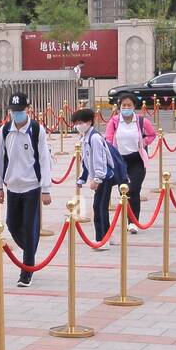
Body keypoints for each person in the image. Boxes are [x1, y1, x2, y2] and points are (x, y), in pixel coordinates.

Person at [0, 92, 53, 287]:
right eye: (13, 111)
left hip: (32, 187)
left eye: (20, 111)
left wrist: (45, 188)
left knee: (28, 226)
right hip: (13, 187)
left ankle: (27, 270)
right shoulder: (4, 131)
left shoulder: (36, 130)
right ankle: (30, 251)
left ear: (28, 109)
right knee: (12, 224)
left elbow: (44, 159)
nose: (16, 114)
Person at [104, 94, 156, 235]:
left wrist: (144, 143)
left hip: (137, 160)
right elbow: (108, 139)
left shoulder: (141, 121)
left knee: (134, 189)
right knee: (123, 190)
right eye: (124, 105)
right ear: (120, 107)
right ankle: (127, 217)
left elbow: (152, 135)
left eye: (129, 105)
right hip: (120, 161)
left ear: (134, 107)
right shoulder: (114, 121)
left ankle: (133, 222)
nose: (126, 108)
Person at [72, 107, 115, 250]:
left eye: (80, 122)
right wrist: (82, 178)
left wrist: (97, 179)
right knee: (100, 206)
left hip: (104, 178)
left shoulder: (95, 138)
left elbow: (99, 160)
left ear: (89, 122)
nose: (78, 125)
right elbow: (86, 161)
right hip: (99, 177)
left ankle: (102, 239)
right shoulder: (86, 137)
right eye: (76, 122)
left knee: (99, 207)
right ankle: (107, 235)